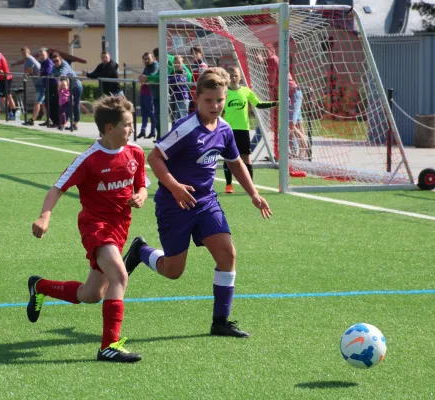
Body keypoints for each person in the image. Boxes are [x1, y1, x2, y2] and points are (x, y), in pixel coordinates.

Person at [123, 68, 272, 339]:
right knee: (173, 271)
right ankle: (140, 251)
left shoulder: (225, 129)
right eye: (209, 100)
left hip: (206, 203)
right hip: (174, 205)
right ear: (197, 97)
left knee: (228, 255)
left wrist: (253, 193)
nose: (215, 106)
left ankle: (220, 322)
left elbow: (235, 161)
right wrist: (175, 187)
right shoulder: (186, 128)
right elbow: (154, 158)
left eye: (220, 100)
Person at [27, 96, 148, 363]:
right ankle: (109, 346)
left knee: (92, 294)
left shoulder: (136, 153)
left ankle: (40, 286)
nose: (131, 129)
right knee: (119, 276)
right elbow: (57, 188)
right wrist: (44, 216)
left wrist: (141, 195)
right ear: (109, 128)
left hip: (120, 227)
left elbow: (142, 185)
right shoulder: (88, 159)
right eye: (127, 125)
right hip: (96, 226)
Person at [222, 65, 277, 193]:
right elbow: (219, 110)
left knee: (246, 157)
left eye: (236, 75)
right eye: (231, 75)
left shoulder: (246, 91)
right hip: (228, 130)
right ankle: (229, 185)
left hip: (243, 129)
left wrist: (275, 103)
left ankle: (250, 185)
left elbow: (258, 104)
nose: (233, 78)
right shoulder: (224, 92)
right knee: (227, 157)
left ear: (240, 77)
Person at [266, 44, 309, 167]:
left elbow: (273, 81)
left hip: (293, 94)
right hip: (290, 95)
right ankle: (298, 152)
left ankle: (305, 150)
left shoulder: (274, 59)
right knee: (298, 125)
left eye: (266, 50)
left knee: (290, 124)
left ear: (271, 50)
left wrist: (262, 60)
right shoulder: (273, 60)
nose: (264, 53)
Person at [139, 48, 192, 140]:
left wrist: (148, 78)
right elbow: (162, 76)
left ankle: (183, 137)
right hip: (174, 93)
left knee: (181, 117)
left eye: (158, 58)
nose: (158, 61)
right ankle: (171, 137)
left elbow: (164, 78)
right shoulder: (164, 62)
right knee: (174, 117)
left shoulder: (171, 61)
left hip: (182, 94)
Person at [51, 52, 83, 130]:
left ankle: (75, 124)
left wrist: (55, 75)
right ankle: (64, 123)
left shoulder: (65, 64)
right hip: (68, 88)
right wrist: (55, 74)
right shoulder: (55, 67)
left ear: (60, 60)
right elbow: (52, 73)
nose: (55, 63)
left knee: (75, 104)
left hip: (76, 86)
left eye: (57, 61)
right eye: (54, 61)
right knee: (67, 105)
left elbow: (62, 74)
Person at [138, 52, 158, 139]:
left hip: (150, 93)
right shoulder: (146, 67)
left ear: (152, 58)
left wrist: (145, 78)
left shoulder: (155, 66)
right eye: (145, 59)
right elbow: (143, 78)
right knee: (144, 113)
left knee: (152, 113)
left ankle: (153, 131)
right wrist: (141, 78)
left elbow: (152, 76)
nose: (146, 60)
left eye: (148, 59)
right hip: (143, 92)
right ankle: (143, 130)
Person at [167, 55, 191, 121]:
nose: (177, 64)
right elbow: (170, 79)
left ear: (182, 63)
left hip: (183, 98)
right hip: (175, 98)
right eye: (175, 63)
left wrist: (168, 80)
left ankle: (186, 131)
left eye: (179, 63)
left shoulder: (184, 71)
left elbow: (178, 79)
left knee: (183, 118)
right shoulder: (173, 72)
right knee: (176, 118)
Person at [189, 46, 208, 114]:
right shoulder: (194, 66)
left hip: (199, 92)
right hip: (193, 92)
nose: (194, 55)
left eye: (196, 53)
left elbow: (203, 80)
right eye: (193, 53)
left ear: (201, 54)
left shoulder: (202, 65)